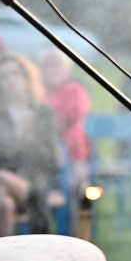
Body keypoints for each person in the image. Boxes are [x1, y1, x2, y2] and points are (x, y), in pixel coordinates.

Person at [0, 55, 61, 242]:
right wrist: (16, 139)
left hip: (31, 186)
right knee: (5, 205)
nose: (11, 80)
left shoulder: (42, 113)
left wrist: (27, 138)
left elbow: (53, 162)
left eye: (16, 74)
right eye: (4, 77)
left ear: (27, 77)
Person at [39, 48, 91, 192]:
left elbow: (65, 123)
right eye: (47, 65)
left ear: (67, 69)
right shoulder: (37, 90)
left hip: (71, 153)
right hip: (39, 152)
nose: (51, 70)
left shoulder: (75, 91)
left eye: (55, 65)